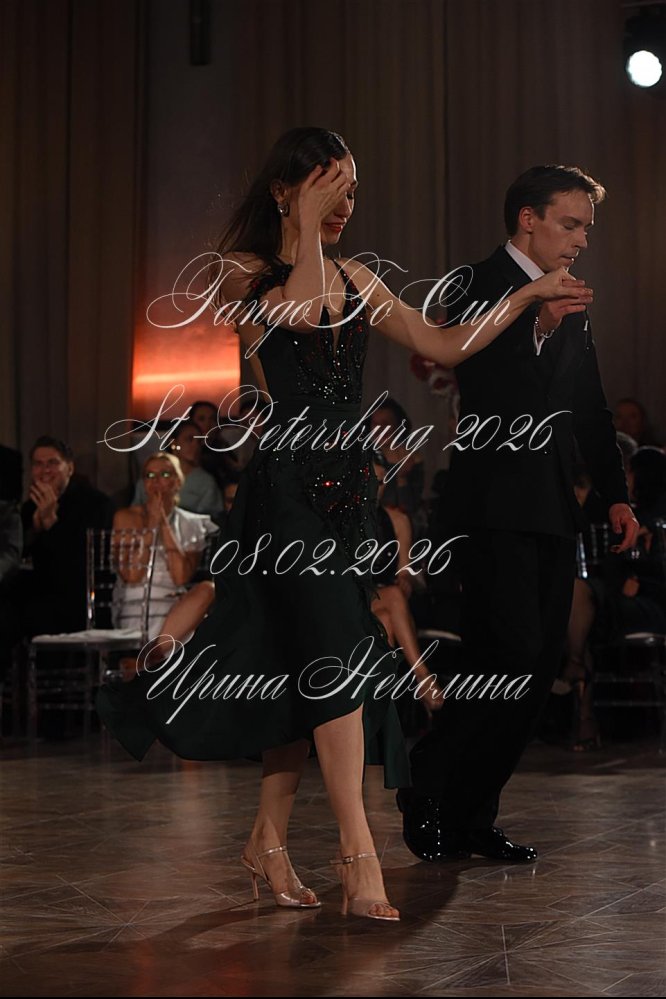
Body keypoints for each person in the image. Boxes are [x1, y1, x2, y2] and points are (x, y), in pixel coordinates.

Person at [96, 129, 591, 922]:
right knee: (334, 657)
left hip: (348, 496)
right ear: (284, 190)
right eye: (331, 185)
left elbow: (441, 342)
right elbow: (301, 311)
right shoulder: (239, 273)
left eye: (353, 190)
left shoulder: (357, 275)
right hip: (286, 493)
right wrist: (303, 228)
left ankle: (267, 836)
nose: (345, 203)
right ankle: (359, 855)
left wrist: (523, 300)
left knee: (303, 659)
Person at [398, 165, 639, 863]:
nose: (581, 240)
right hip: (492, 503)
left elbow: (589, 406)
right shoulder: (474, 283)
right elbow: (485, 388)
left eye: (586, 228)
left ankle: (472, 814)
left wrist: (616, 493)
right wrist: (535, 325)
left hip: (554, 505)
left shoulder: (570, 296)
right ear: (528, 219)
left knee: (536, 666)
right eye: (571, 224)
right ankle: (429, 782)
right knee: (501, 656)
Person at [112, 451, 217, 644]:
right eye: (149, 475)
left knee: (207, 589)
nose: (156, 481)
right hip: (136, 605)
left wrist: (163, 524)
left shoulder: (191, 523)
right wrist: (152, 525)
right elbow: (132, 575)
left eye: (165, 474)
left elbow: (180, 577)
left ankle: (152, 654)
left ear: (178, 482)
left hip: (174, 606)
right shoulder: (125, 517)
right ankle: (155, 654)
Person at [131, 420, 224, 518]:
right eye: (189, 439)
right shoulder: (148, 479)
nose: (195, 445)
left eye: (198, 441)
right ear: (174, 443)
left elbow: (209, 518)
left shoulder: (206, 482)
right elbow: (134, 512)